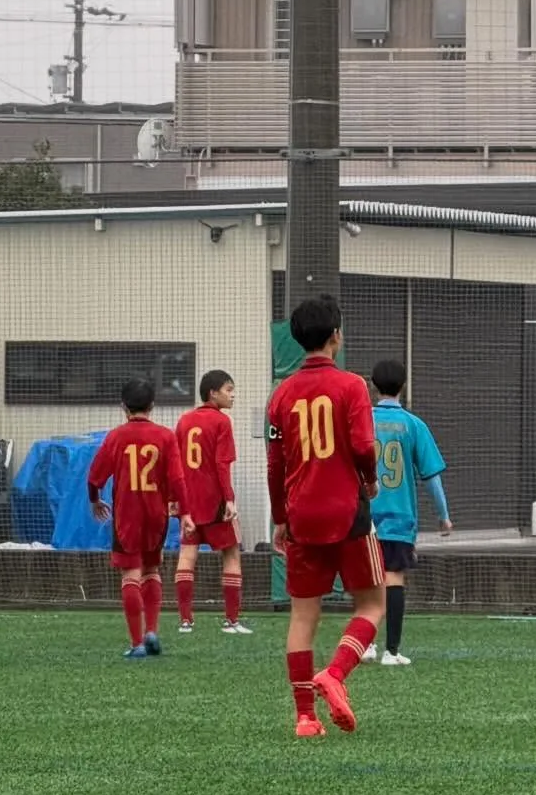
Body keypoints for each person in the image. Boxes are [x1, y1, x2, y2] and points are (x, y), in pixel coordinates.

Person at [266, 294, 385, 737]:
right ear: (337, 335)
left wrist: (281, 516)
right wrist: (369, 481)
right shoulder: (352, 385)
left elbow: (275, 464)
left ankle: (304, 718)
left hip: (300, 514)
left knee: (302, 617)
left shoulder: (280, 395)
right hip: (348, 510)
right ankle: (334, 674)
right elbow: (362, 446)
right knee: (373, 604)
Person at [88, 378, 191, 659]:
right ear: (152, 405)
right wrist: (185, 513)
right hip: (156, 514)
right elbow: (178, 479)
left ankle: (137, 644)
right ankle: (153, 630)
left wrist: (95, 500)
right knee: (152, 571)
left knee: (130, 574)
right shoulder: (165, 436)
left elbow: (95, 476)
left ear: (123, 407)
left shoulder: (116, 437)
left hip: (127, 515)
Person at [362, 359, 451, 667]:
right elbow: (432, 478)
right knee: (393, 577)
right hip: (399, 518)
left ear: (373, 386)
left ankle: (365, 645)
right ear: (403, 386)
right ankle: (392, 651)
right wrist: (444, 515)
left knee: (368, 580)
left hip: (363, 516)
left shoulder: (361, 421)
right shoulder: (414, 425)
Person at [174, 369, 250, 637]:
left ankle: (185, 621)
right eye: (229, 390)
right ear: (212, 393)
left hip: (189, 503)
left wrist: (177, 501)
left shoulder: (184, 421)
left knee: (186, 556)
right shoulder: (221, 422)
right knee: (231, 554)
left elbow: (176, 465)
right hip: (215, 502)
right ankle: (231, 621)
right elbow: (221, 464)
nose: (233, 395)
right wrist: (229, 498)